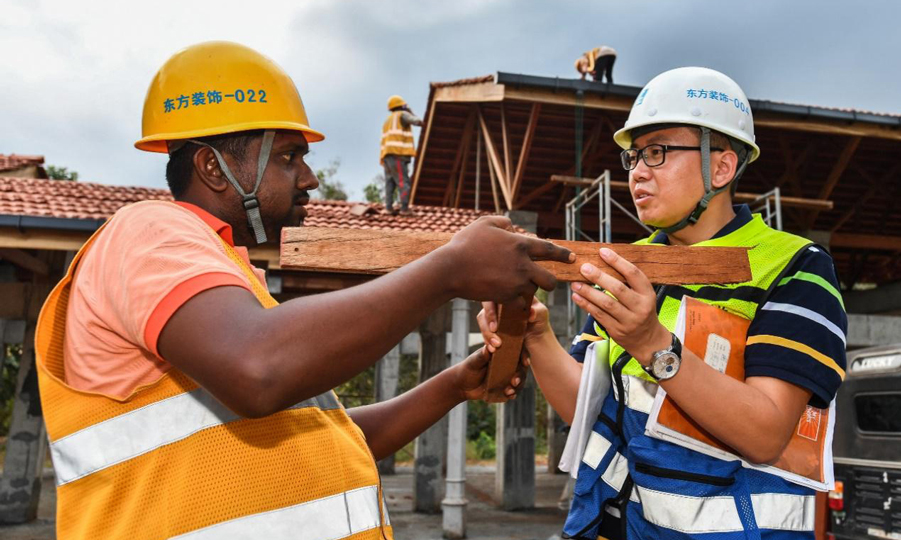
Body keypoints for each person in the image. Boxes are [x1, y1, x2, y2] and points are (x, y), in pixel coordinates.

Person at [34, 41, 574, 540]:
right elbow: (257, 370)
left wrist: (453, 385)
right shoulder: (148, 231)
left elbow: (329, 441)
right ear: (213, 168)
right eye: (288, 157)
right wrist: (448, 269)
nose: (310, 178)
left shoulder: (235, 294)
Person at [479, 67, 847, 539]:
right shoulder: (628, 266)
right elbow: (587, 411)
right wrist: (536, 333)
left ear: (721, 168)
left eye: (657, 152)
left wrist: (653, 344)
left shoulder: (793, 266)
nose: (637, 172)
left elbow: (766, 434)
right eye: (633, 156)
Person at [379, 95, 422, 215]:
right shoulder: (402, 115)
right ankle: (404, 209)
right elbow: (417, 121)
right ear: (402, 105)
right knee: (403, 182)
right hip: (397, 154)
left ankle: (388, 208)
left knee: (390, 182)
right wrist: (410, 112)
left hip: (386, 155)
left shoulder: (388, 120)